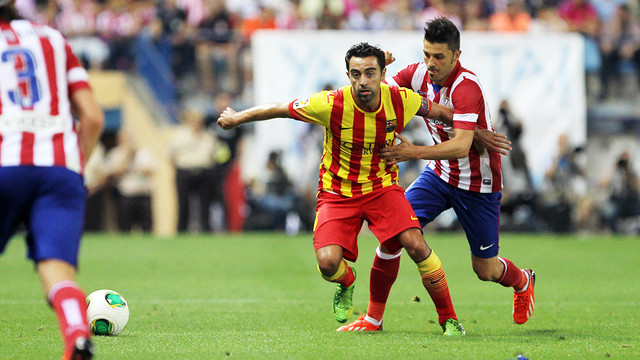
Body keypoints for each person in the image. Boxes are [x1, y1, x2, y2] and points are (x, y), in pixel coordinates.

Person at [218, 42, 509, 335]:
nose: (363, 81)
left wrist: (477, 133)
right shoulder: (330, 104)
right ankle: (346, 281)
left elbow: (442, 113)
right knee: (328, 263)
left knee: (416, 243)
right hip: (337, 192)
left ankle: (449, 320)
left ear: (383, 74)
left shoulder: (401, 99)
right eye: (356, 74)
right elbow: (280, 108)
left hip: (382, 188)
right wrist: (237, 117)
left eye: (370, 73)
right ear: (348, 75)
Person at [338, 17, 535, 333]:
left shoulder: (467, 87)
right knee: (393, 235)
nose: (430, 63)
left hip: (477, 183)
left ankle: (523, 280)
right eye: (427, 54)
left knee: (484, 269)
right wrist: (377, 73)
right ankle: (373, 318)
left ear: (456, 56)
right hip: (439, 175)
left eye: (439, 56)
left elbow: (460, 146)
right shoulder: (416, 74)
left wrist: (412, 152)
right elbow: (381, 98)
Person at [0, 1, 104, 359]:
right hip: (60, 170)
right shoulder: (55, 40)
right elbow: (91, 118)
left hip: (5, 163)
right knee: (57, 271)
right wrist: (76, 168)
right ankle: (76, 333)